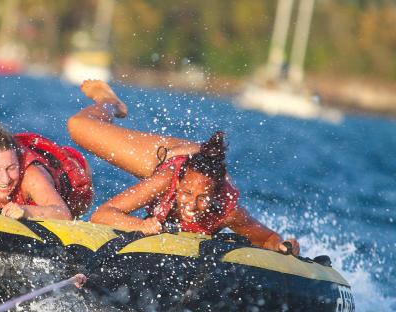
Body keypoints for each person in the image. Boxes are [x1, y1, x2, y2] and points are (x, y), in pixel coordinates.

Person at [67, 80, 300, 255]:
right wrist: (141, 225)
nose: (192, 205)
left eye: (202, 198)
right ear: (178, 185)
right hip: (168, 155)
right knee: (78, 126)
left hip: (205, 165)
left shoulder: (227, 210)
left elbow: (264, 237)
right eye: (187, 194)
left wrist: (282, 246)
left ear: (215, 196)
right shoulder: (165, 180)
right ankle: (110, 102)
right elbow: (103, 214)